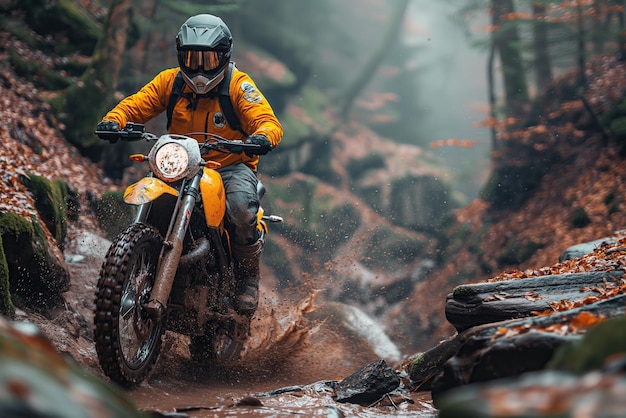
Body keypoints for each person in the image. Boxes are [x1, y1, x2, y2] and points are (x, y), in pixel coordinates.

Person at [96, 13, 283, 316]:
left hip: (229, 165)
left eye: (207, 60)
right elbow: (137, 103)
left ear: (223, 57)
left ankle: (247, 279)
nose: (198, 68)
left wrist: (262, 137)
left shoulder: (239, 85)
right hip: (181, 161)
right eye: (192, 58)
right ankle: (138, 257)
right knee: (154, 189)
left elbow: (266, 120)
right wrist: (114, 120)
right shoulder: (170, 81)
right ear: (180, 56)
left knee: (240, 208)